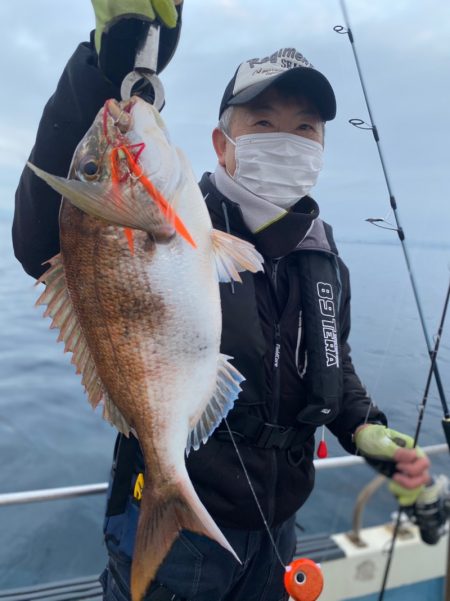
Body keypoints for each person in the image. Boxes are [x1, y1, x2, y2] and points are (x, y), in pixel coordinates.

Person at [12, 2, 431, 600]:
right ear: (221, 142)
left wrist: (364, 427)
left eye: (305, 127)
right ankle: (167, 497)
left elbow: (330, 359)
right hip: (181, 541)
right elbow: (45, 239)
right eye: (263, 123)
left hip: (278, 525)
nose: (287, 139)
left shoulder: (321, 252)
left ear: (323, 146)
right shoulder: (183, 221)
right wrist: (102, 73)